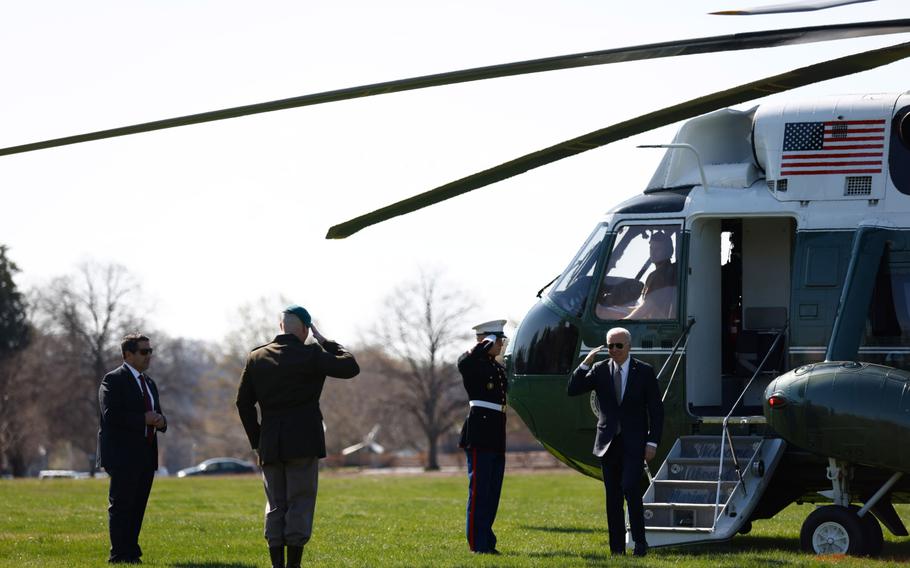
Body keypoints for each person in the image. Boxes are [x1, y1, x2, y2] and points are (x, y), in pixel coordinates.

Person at [236, 304, 360, 568]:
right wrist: (327, 342)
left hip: (270, 442)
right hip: (303, 442)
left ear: (281, 326)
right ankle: (293, 565)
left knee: (275, 504)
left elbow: (243, 404)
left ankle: (276, 564)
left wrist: (256, 440)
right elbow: (350, 367)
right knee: (300, 502)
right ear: (306, 328)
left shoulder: (256, 357)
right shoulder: (311, 354)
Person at [567, 327, 663, 557]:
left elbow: (656, 411)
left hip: (634, 443)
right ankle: (617, 549)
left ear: (628, 346)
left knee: (631, 489)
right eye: (610, 346)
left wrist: (652, 443)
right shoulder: (599, 370)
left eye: (618, 345)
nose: (614, 350)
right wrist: (585, 363)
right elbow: (573, 389)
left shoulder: (645, 371)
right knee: (613, 498)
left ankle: (640, 543)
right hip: (607, 443)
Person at [97, 333, 167, 564]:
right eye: (143, 351)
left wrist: (161, 421)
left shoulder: (149, 383)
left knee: (138, 505)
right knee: (122, 505)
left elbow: (156, 414)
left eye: (150, 351)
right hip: (122, 454)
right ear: (128, 354)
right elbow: (111, 415)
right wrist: (143, 419)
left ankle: (131, 551)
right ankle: (118, 554)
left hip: (146, 455)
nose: (148, 356)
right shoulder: (113, 380)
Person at [457, 319, 508, 555]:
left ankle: (487, 540)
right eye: (497, 340)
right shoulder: (472, 363)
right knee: (479, 491)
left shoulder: (496, 367)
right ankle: (477, 544)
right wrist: (484, 343)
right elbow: (465, 362)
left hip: (496, 431)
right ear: (485, 340)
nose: (501, 344)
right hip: (479, 432)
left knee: (492, 491)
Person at [625, 231, 677, 320]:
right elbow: (643, 308)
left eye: (658, 249)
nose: (653, 253)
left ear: (668, 251)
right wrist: (615, 310)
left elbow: (646, 309)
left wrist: (623, 322)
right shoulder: (661, 272)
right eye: (651, 248)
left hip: (656, 327)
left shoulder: (662, 275)